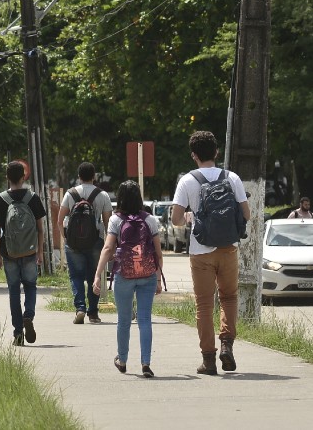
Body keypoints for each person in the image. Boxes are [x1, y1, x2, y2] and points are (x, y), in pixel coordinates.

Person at [172, 130, 250, 374]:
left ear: (194, 155)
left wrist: (189, 217)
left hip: (201, 251)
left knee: (204, 304)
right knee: (229, 298)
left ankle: (208, 360)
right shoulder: (232, 178)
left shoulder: (187, 181)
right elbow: (246, 214)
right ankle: (226, 345)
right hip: (229, 249)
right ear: (216, 152)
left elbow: (176, 220)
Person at [93, 180, 163, 377]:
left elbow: (107, 248)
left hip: (123, 274)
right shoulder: (149, 220)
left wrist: (98, 275)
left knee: (123, 320)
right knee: (144, 319)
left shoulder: (116, 221)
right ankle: (146, 363)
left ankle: (122, 360)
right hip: (147, 275)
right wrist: (157, 278)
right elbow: (158, 253)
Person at [0, 161, 46, 346]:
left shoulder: (2, 199)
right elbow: (40, 229)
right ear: (23, 177)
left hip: (9, 253)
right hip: (29, 251)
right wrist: (40, 252)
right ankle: (28, 315)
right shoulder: (33, 198)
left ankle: (18, 334)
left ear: (7, 178)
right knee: (30, 286)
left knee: (14, 291)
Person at [58, 162, 112, 324]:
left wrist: (66, 238)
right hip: (95, 242)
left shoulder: (70, 194)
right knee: (94, 276)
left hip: (73, 243)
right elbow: (108, 223)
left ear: (79, 177)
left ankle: (80, 308)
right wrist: (109, 245)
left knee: (75, 276)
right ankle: (93, 314)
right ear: (94, 176)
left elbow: (60, 221)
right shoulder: (102, 195)